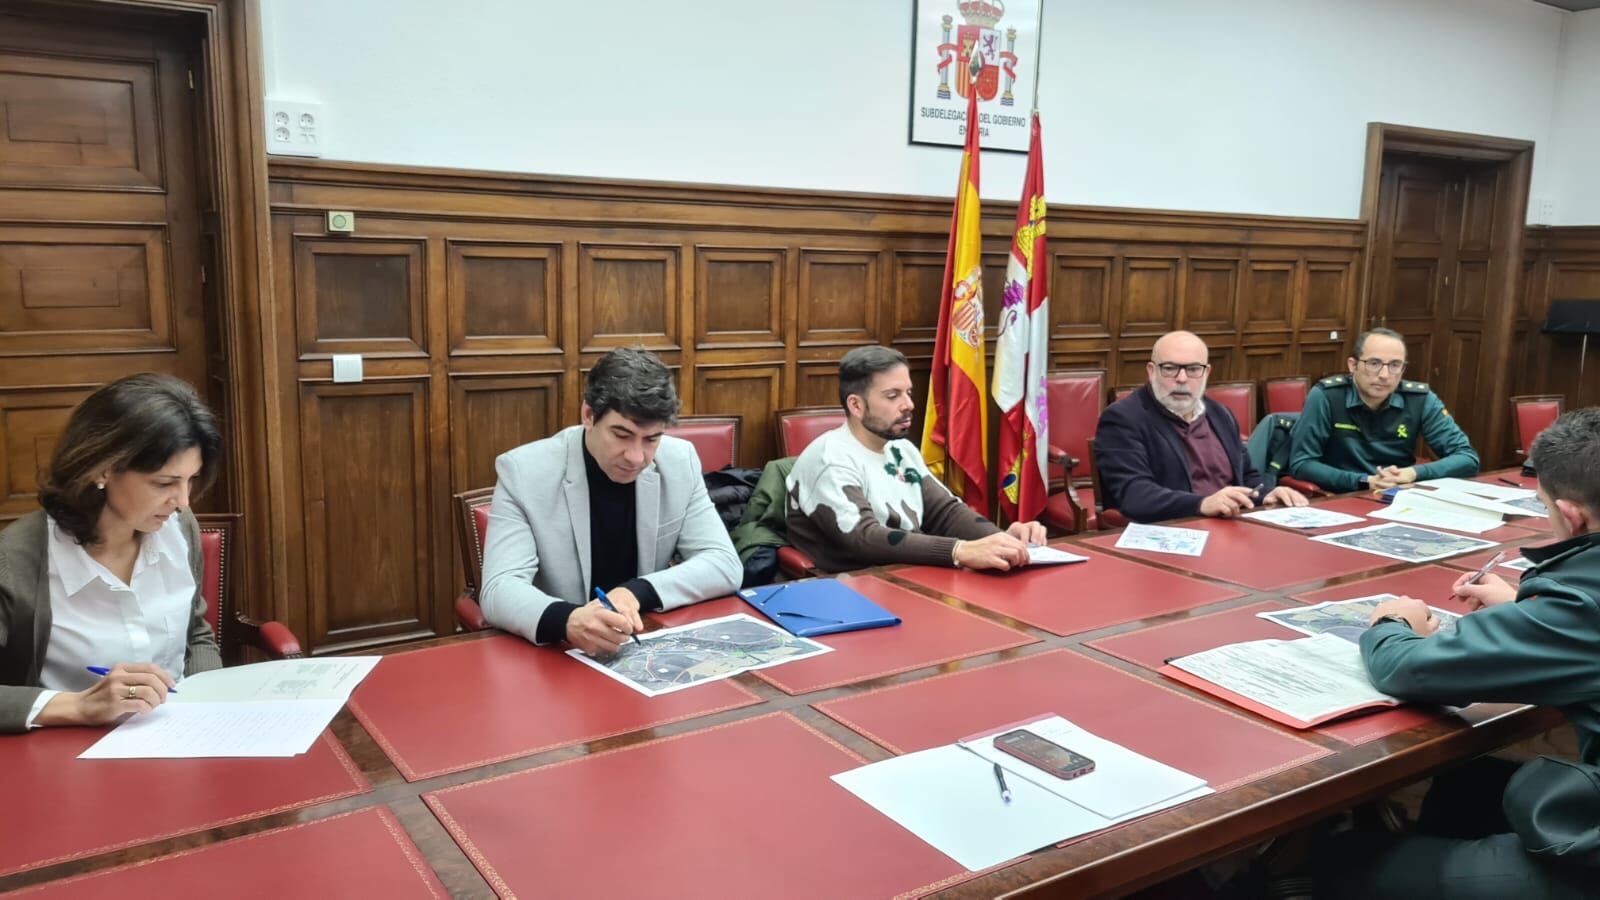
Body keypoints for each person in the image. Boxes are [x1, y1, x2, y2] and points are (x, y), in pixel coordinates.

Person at [1315, 408, 1600, 898]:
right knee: (1466, 782)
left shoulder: (1578, 609)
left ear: (1571, 515)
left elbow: (1407, 668)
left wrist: (1393, 620)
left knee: (1352, 863)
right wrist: (1528, 607)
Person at [479, 347, 741, 655]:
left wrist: (636, 592)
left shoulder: (679, 461)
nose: (636, 457)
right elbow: (499, 589)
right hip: (559, 655)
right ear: (589, 415)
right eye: (621, 434)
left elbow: (724, 564)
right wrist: (569, 620)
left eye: (651, 439)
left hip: (642, 647)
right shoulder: (524, 472)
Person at [0, 374, 223, 733]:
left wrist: (214, 709)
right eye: (165, 483)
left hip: (180, 741)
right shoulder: (15, 560)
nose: (182, 502)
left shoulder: (180, 529)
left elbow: (195, 634)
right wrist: (80, 706)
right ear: (103, 467)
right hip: (63, 761)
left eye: (191, 480)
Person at [786, 345, 1045, 573]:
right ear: (856, 406)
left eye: (908, 392)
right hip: (850, 587)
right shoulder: (830, 458)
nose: (908, 404)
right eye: (893, 396)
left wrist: (1001, 540)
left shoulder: (901, 449)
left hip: (906, 576)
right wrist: (958, 551)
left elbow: (946, 512)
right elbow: (864, 537)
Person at [1094, 331, 1306, 523]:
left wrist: (1267, 494)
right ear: (1151, 371)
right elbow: (1134, 495)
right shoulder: (1123, 418)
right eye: (1169, 369)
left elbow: (1248, 478)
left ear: (1206, 372)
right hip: (1171, 531)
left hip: (1230, 527)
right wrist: (1201, 504)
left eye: (1193, 369)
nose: (1182, 379)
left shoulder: (1220, 414)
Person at [1288, 327, 1479, 492]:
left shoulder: (1419, 399)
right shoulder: (1327, 396)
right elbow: (1302, 464)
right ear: (1352, 365)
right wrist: (1364, 481)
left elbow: (1467, 458)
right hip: (1342, 495)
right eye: (1374, 363)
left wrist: (1412, 473)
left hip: (1400, 496)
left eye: (1395, 365)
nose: (1384, 375)